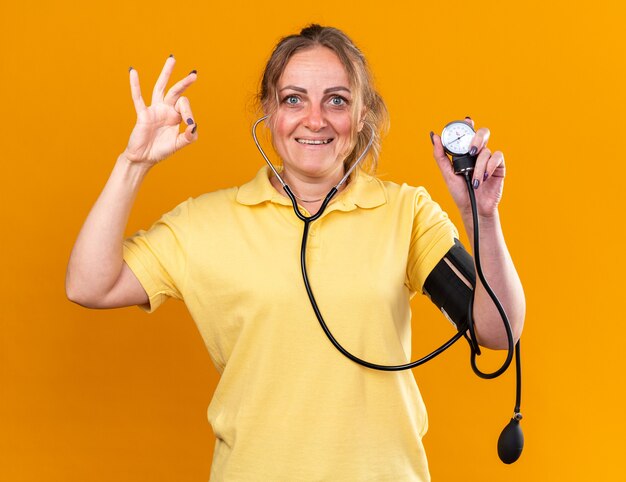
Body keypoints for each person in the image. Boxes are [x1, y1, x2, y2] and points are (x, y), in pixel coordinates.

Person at [66, 24, 525, 482]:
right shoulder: (206, 223)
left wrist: (480, 217)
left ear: (362, 114)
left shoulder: (405, 213)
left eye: (337, 100)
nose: (315, 118)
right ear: (268, 110)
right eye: (293, 99)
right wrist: (134, 163)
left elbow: (497, 332)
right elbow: (89, 284)